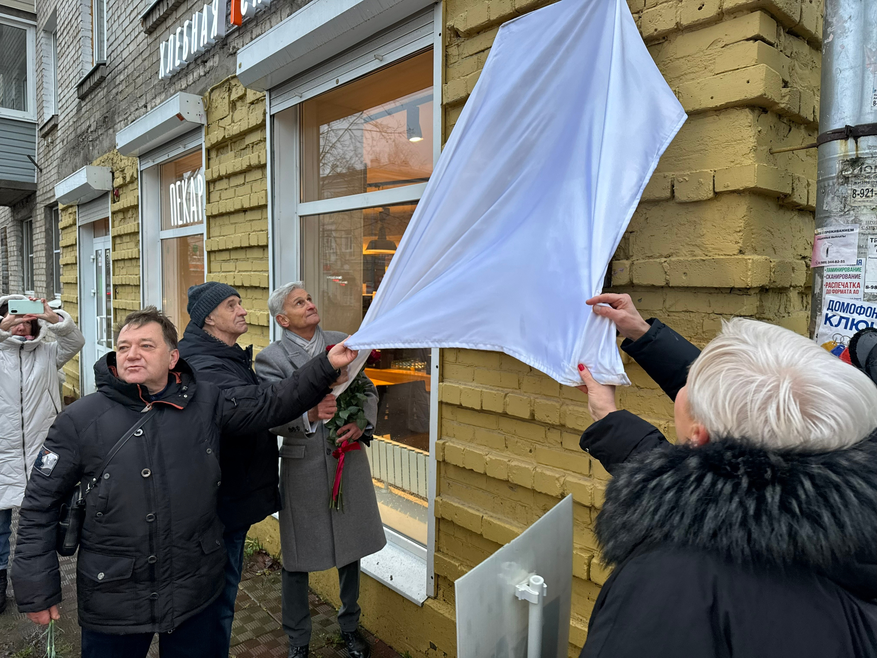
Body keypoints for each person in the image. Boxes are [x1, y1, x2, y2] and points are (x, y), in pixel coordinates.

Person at [12, 307, 357, 658]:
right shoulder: (80, 419)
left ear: (173, 357)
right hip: (115, 595)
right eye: (124, 346)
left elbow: (270, 402)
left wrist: (326, 364)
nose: (132, 354)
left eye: (146, 345)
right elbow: (40, 504)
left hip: (195, 587)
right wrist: (37, 586)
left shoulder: (206, 401)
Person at [574, 294, 877, 658]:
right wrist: (643, 335)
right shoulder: (849, 519)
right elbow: (748, 417)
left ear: (698, 436)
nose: (685, 386)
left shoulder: (670, 583)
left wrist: (609, 420)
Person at [255, 283, 386, 658]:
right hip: (303, 469)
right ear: (283, 320)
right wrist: (308, 415)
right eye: (300, 302)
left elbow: (367, 389)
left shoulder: (340, 342)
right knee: (297, 559)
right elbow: (269, 416)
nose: (310, 304)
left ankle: (350, 627)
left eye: (309, 298)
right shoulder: (270, 360)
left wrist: (362, 422)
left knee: (351, 550)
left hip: (348, 461)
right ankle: (298, 640)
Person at [177, 282, 280, 654]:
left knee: (221, 596)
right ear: (209, 317)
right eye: (232, 305)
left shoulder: (226, 354)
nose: (243, 310)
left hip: (231, 498)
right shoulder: (204, 363)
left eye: (240, 303)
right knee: (217, 600)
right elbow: (252, 409)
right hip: (220, 503)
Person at [0, 295, 84, 614]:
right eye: (14, 317)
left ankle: (42, 583)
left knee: (40, 523)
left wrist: (53, 317)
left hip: (41, 452)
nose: (22, 324)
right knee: (0, 527)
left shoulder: (48, 352)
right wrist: (3, 328)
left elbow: (75, 341)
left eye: (28, 318)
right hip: (2, 453)